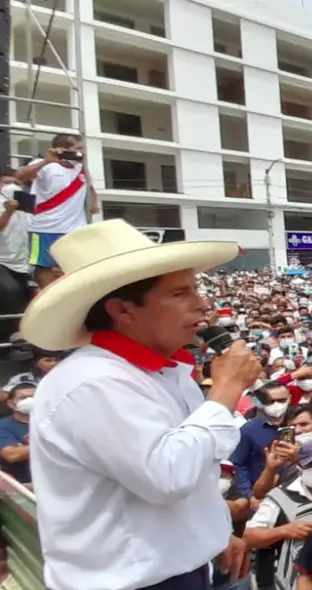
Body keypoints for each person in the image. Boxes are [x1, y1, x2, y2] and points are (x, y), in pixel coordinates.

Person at [21, 219, 256, 590]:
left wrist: (213, 534)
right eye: (180, 293)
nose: (202, 304)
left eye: (195, 289)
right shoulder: (92, 383)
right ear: (123, 310)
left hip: (183, 572)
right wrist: (225, 393)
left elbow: (196, 472)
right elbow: (167, 475)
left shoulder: (167, 374)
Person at [243, 438, 312, 590]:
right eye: (311, 464)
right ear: (299, 467)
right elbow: (248, 538)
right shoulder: (279, 496)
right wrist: (285, 531)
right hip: (289, 579)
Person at [14, 134, 99, 289]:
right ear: (62, 149)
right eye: (78, 148)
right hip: (45, 227)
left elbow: (90, 186)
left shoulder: (82, 168)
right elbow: (19, 176)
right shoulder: (44, 164)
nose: (82, 152)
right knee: (44, 267)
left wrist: (94, 201)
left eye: (83, 148)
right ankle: (47, 296)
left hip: (75, 229)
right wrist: (46, 161)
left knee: (76, 267)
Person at [0, 170, 31, 347]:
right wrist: (8, 211)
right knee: (10, 290)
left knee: (28, 295)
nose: (14, 187)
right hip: (2, 260)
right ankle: (10, 334)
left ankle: (21, 337)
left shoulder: (26, 207)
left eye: (17, 184)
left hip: (22, 262)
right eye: (8, 183)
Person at [0, 382, 34, 485]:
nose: (30, 400)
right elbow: (12, 454)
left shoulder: (53, 422)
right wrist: (54, 445)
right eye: (23, 398)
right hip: (21, 486)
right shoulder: (3, 426)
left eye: (34, 396)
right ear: (11, 403)